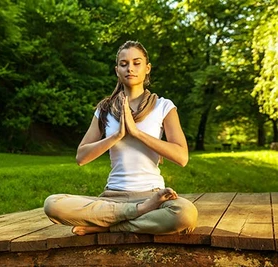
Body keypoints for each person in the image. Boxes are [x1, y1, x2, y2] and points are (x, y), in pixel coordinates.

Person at [44, 40, 198, 236]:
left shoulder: (163, 106)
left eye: (136, 63)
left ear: (147, 68)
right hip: (112, 198)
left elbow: (182, 157)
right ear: (117, 70)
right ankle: (136, 213)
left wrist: (137, 133)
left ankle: (108, 225)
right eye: (124, 64)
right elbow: (81, 157)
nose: (130, 68)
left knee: (185, 214)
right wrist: (117, 135)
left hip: (153, 195)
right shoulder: (105, 109)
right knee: (52, 204)